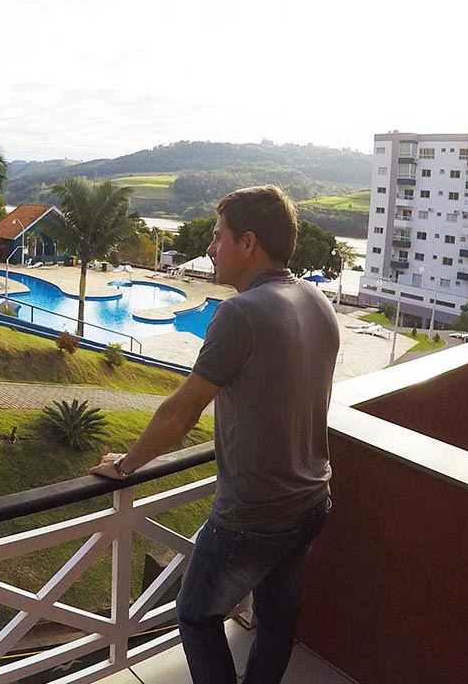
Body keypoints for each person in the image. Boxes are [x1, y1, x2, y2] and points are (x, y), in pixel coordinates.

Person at [89, 185, 340, 684]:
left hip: (255, 513)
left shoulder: (240, 314)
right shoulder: (316, 301)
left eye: (217, 236)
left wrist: (124, 466)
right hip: (312, 499)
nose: (209, 247)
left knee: (195, 614)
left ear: (248, 243)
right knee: (276, 620)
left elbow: (180, 414)